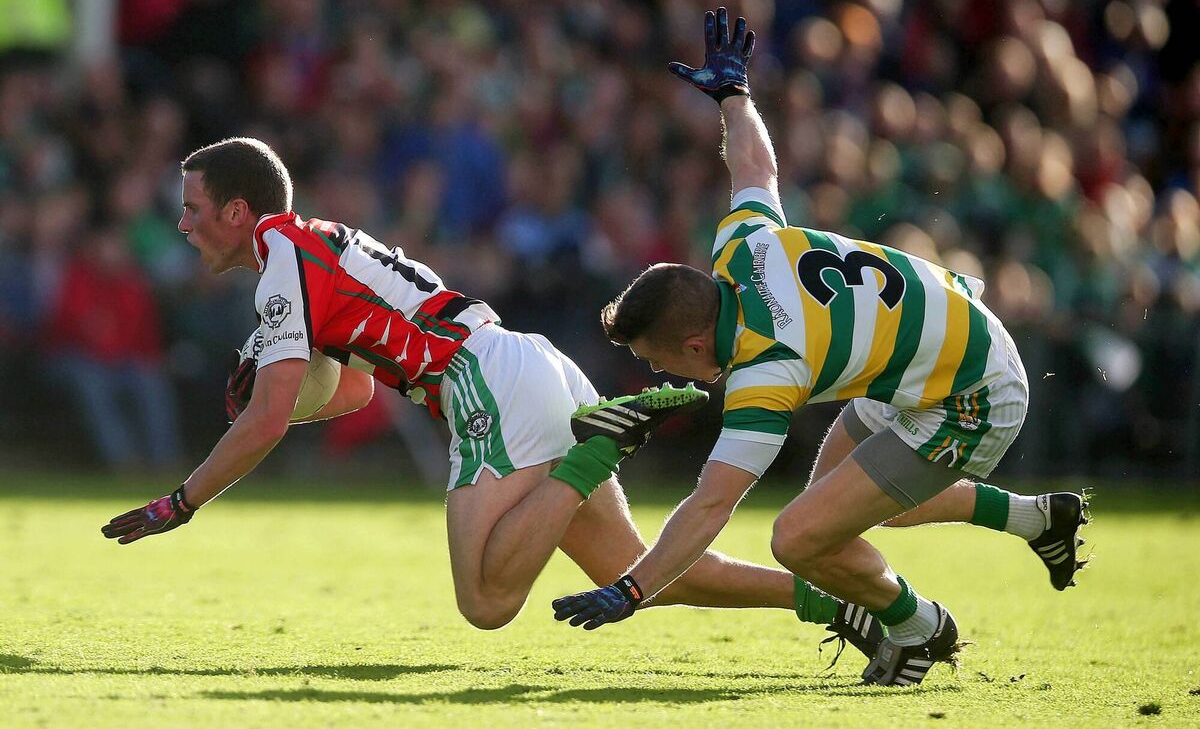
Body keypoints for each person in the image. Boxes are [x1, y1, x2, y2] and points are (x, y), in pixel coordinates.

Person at [100, 136, 887, 654]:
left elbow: (270, 417)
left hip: (485, 381)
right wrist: (279, 400)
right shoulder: (312, 246)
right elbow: (349, 393)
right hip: (519, 365)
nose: (183, 223)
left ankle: (595, 450)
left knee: (485, 601)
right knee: (642, 574)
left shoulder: (281, 255)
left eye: (194, 209)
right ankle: (835, 604)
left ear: (239, 212)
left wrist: (182, 501)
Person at [553, 9, 1089, 687]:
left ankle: (922, 627)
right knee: (844, 509)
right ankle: (1040, 518)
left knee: (802, 538)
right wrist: (734, 94)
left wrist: (632, 590)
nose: (663, 374)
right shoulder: (740, 247)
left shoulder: (764, 371)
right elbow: (754, 162)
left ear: (695, 341)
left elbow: (710, 506)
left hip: (973, 395)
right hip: (945, 347)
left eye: (661, 361)